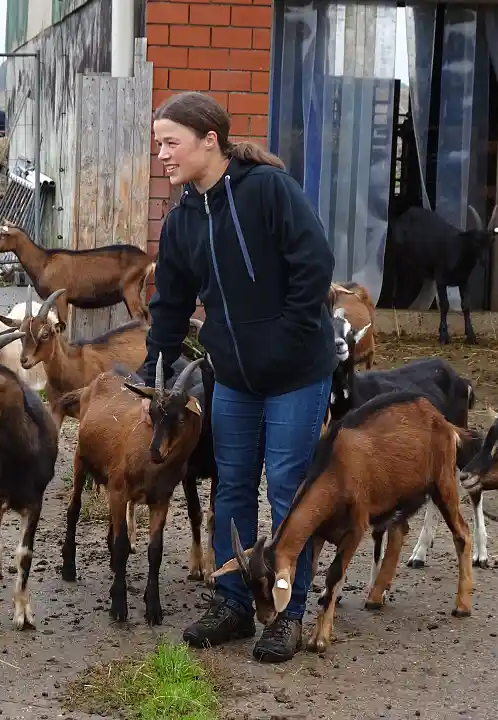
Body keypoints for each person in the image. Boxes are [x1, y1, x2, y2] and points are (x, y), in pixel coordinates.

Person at [138, 91, 336, 663]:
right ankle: (233, 601)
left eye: (170, 143)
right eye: (159, 145)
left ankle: (290, 612)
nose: (163, 157)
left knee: (289, 486)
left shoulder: (268, 191)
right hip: (235, 377)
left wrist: (289, 337)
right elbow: (170, 301)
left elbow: (313, 264)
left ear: (209, 140)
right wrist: (158, 366)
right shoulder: (182, 220)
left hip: (297, 371)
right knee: (231, 484)